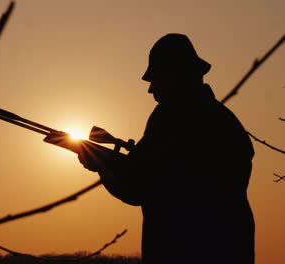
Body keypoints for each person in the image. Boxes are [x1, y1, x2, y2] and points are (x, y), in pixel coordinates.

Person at [77, 34, 255, 264]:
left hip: (183, 250)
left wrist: (100, 163)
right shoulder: (224, 119)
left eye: (156, 78)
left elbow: (138, 187)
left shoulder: (173, 117)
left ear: (175, 76)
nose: (151, 89)